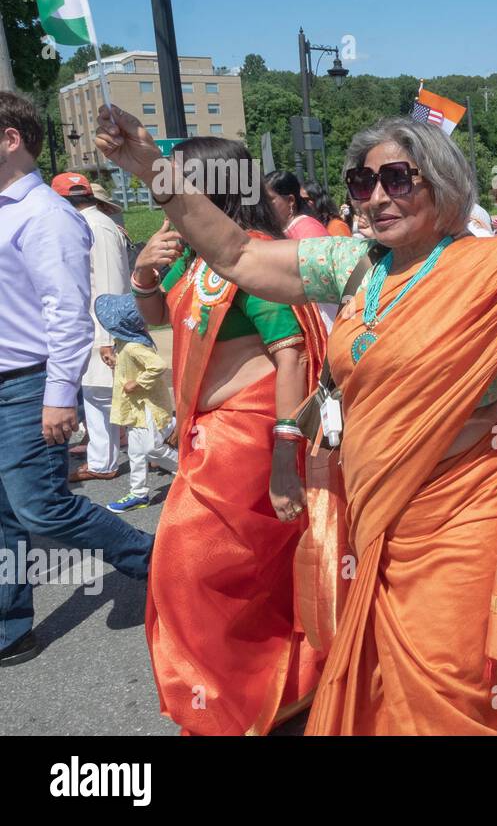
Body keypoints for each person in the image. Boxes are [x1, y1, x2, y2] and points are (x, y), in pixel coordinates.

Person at [96, 92, 497, 736]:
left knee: (453, 687)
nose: (376, 196)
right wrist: (149, 165)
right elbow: (236, 256)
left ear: (445, 187)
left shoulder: (487, 264)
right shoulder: (355, 265)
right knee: (388, 683)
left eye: (397, 178)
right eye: (362, 181)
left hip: (464, 516)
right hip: (374, 516)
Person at [113, 136, 339, 735]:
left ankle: (229, 700)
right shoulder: (191, 255)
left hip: (250, 433)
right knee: (235, 578)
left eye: (174, 183)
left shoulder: (257, 254)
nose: (164, 197)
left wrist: (286, 456)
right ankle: (259, 690)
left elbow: (290, 352)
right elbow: (161, 317)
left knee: (187, 571)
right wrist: (142, 274)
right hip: (209, 432)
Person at [0, 92, 153, 667]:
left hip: (27, 383)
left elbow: (66, 310)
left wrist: (58, 394)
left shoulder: (45, 213)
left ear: (11, 139)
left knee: (43, 509)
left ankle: (156, 561)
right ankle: (10, 627)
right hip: (7, 381)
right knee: (5, 517)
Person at [53, 172, 130, 484]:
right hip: (101, 325)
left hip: (104, 326)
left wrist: (108, 336)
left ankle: (108, 460)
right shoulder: (93, 223)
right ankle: (107, 458)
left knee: (107, 397)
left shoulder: (94, 225)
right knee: (103, 396)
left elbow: (110, 284)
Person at [93, 293, 178, 514]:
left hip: (146, 406)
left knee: (152, 448)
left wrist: (137, 383)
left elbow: (157, 366)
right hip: (135, 407)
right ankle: (139, 493)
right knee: (136, 452)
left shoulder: (133, 346)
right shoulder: (124, 343)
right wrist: (115, 360)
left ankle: (187, 472)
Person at [264, 170, 329, 240]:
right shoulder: (276, 230)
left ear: (290, 200)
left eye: (270, 199)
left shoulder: (310, 230)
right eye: (263, 200)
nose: (264, 205)